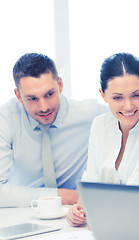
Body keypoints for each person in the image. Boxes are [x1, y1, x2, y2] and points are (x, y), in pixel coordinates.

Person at [67, 53, 139, 226]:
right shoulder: (99, 125)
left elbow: (135, 196)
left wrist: (96, 212)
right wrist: (78, 211)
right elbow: (90, 185)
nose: (129, 106)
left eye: (136, 95)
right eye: (117, 97)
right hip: (110, 224)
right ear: (103, 95)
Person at [0, 53, 109, 207]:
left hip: (75, 212)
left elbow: (136, 114)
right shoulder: (5, 119)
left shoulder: (89, 113)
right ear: (18, 95)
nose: (44, 107)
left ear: (60, 85)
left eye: (49, 94)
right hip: (23, 210)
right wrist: (58, 196)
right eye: (32, 99)